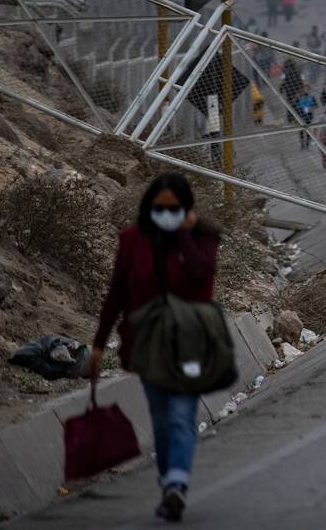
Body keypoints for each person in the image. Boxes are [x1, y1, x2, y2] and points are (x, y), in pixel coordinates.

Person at [91, 174, 219, 523]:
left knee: (181, 416)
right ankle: (168, 482)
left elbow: (201, 277)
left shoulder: (202, 238)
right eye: (160, 208)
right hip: (146, 346)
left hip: (189, 344)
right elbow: (117, 292)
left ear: (186, 209)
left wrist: (182, 235)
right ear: (149, 206)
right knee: (162, 420)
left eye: (174, 208)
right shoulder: (133, 241)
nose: (166, 214)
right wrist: (99, 344)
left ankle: (177, 482)